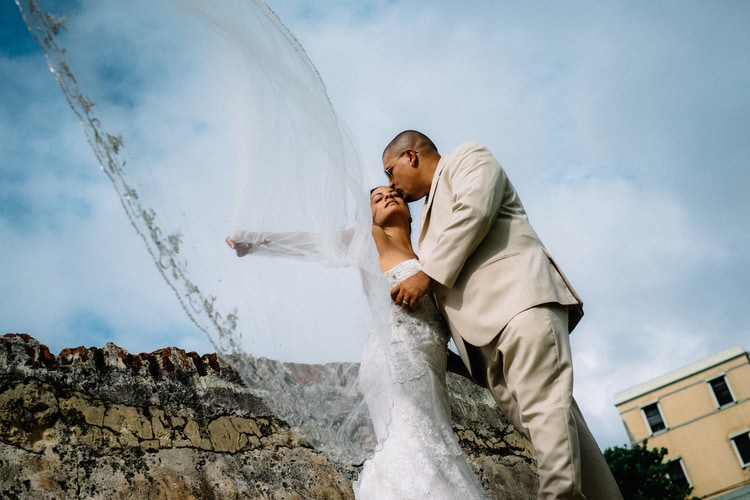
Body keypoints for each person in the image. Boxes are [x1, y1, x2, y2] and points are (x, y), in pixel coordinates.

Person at [383, 130, 623, 500]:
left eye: (390, 171)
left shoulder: (468, 157)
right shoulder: (425, 224)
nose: (391, 183)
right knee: (559, 429)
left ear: (410, 156)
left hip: (519, 307)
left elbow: (475, 209)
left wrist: (426, 275)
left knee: (547, 417)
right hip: (484, 347)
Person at [226, 187, 489, 499]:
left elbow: (430, 335)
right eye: (377, 200)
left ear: (409, 209)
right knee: (414, 443)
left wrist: (478, 373)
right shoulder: (373, 240)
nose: (387, 197)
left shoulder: (429, 262)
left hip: (427, 370)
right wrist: (259, 240)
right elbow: (318, 240)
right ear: (372, 217)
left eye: (394, 194)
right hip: (391, 362)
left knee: (433, 442)